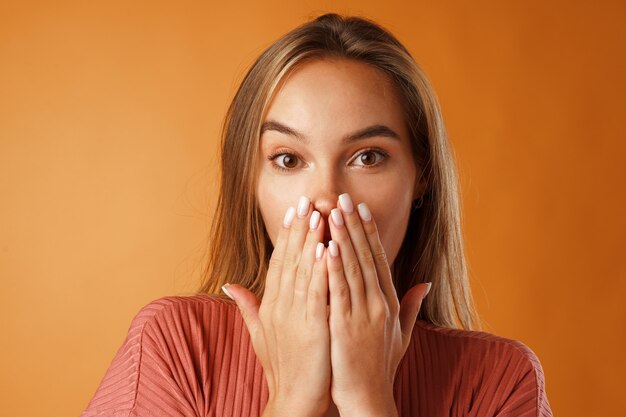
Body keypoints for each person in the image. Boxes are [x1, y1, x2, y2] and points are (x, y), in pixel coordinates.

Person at [81, 13, 552, 417]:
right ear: (251, 182)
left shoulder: (500, 383)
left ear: (422, 176)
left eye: (367, 157)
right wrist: (291, 401)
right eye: (288, 159)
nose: (327, 198)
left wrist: (369, 401)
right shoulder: (176, 346)